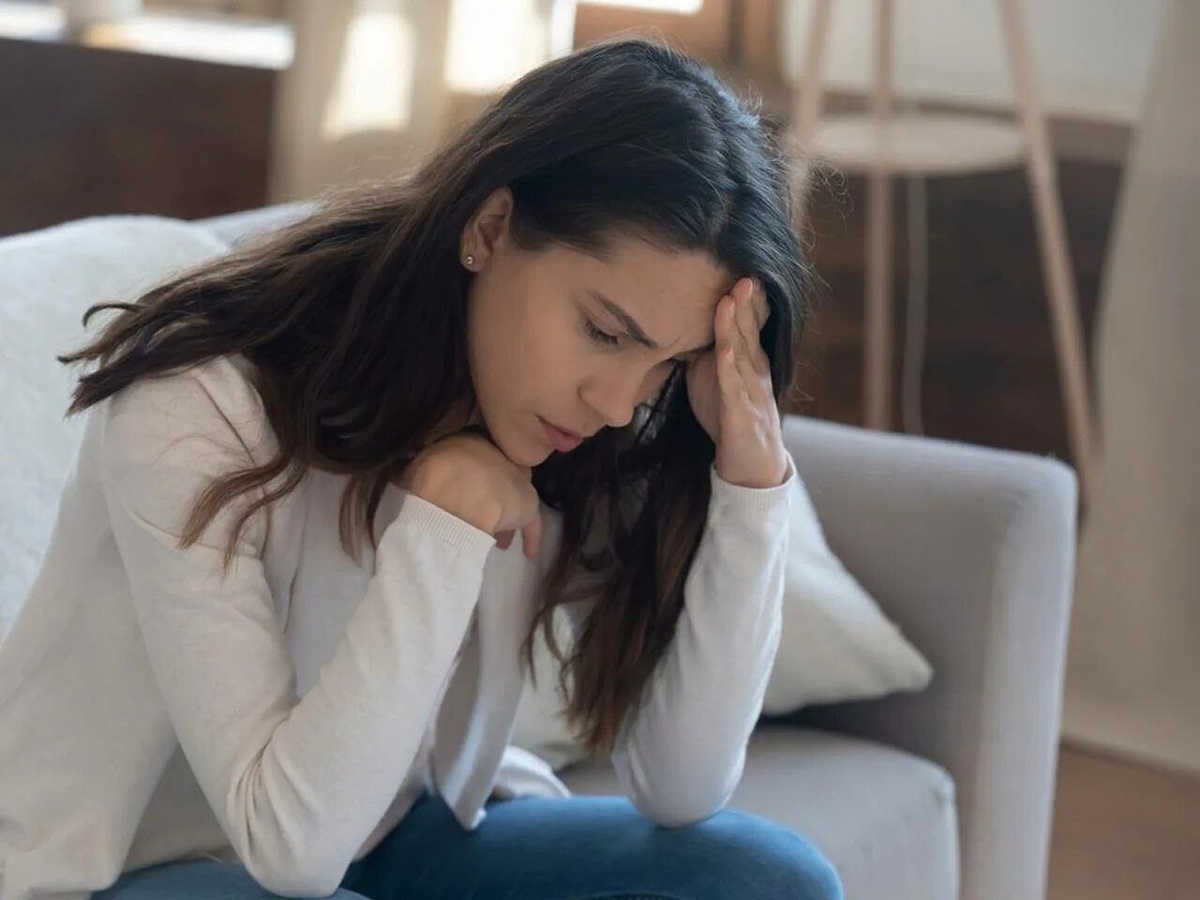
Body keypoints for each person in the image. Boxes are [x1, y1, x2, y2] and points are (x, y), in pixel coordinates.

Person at [0, 38, 842, 900]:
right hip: (124, 869)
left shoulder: (582, 422)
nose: (620, 402)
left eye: (670, 363)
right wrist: (442, 525)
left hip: (386, 832)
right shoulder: (197, 403)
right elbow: (291, 848)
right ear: (489, 228)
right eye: (604, 331)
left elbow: (681, 786)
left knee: (768, 880)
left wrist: (751, 485)